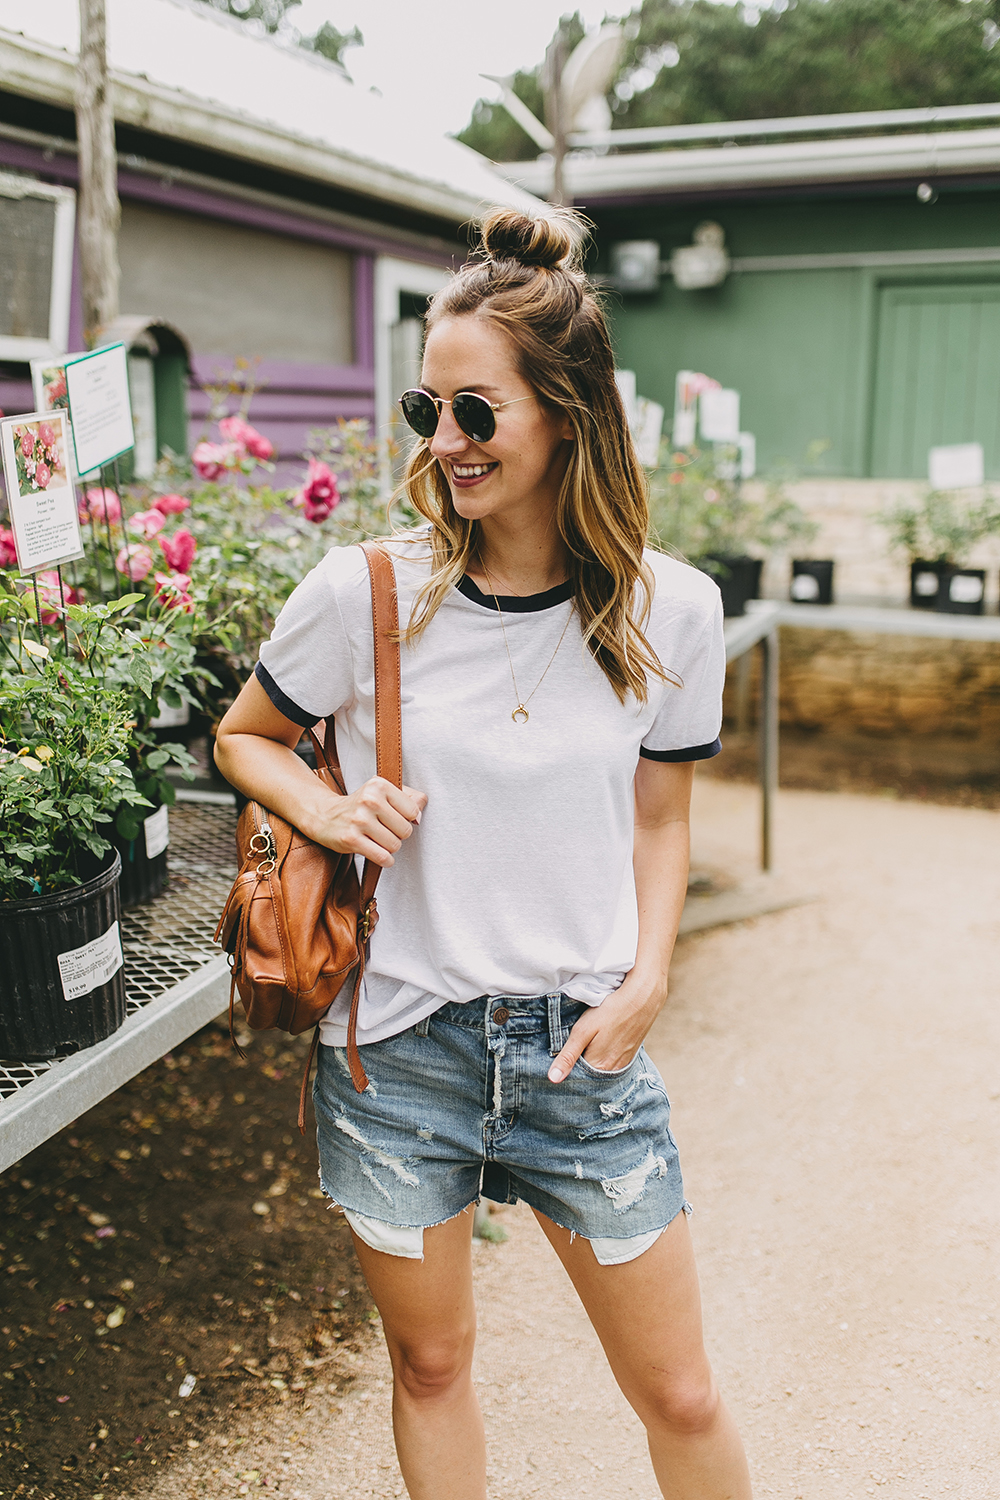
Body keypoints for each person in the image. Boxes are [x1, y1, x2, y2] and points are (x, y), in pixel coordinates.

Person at [215, 207, 753, 1500]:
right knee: (433, 1368)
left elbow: (662, 821)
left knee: (680, 1390)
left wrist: (651, 981)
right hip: (401, 1045)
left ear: (566, 412)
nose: (443, 444)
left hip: (586, 1047)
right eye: (426, 411)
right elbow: (247, 738)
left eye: (476, 413)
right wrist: (327, 812)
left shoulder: (671, 608)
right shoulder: (369, 596)